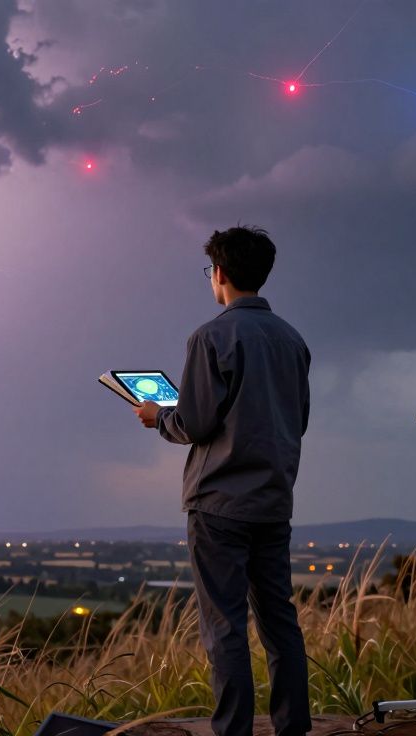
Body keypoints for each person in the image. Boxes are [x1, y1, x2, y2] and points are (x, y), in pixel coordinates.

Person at [133, 224, 312, 736]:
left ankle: (233, 730)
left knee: (225, 627)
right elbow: (297, 419)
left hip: (218, 507)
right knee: (280, 623)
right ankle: (292, 728)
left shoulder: (211, 336)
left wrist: (158, 417)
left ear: (220, 274)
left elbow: (194, 422)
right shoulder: (292, 340)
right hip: (274, 503)